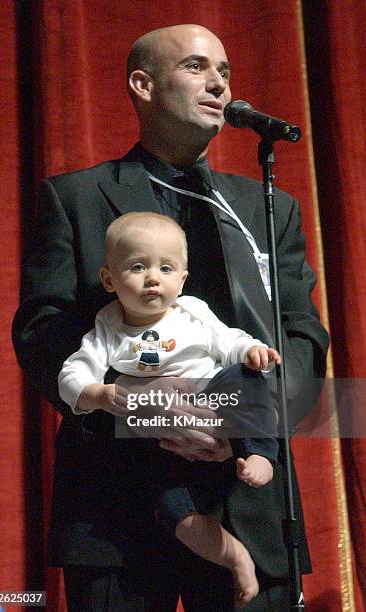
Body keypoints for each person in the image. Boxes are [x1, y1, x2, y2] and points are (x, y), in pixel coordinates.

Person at [12, 23, 329, 611]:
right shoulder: (77, 198)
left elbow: (303, 337)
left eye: (225, 72)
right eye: (196, 67)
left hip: (249, 501)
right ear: (143, 84)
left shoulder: (268, 207)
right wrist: (147, 412)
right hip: (116, 506)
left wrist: (243, 418)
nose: (219, 84)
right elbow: (42, 332)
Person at [58, 211, 282, 607]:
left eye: (165, 268)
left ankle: (259, 452)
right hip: (156, 444)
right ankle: (234, 557)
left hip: (214, 404)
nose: (152, 278)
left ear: (181, 279)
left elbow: (229, 340)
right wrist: (101, 395)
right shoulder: (108, 324)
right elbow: (73, 371)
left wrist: (251, 350)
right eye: (137, 267)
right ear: (109, 278)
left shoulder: (192, 311)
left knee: (243, 378)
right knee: (174, 513)